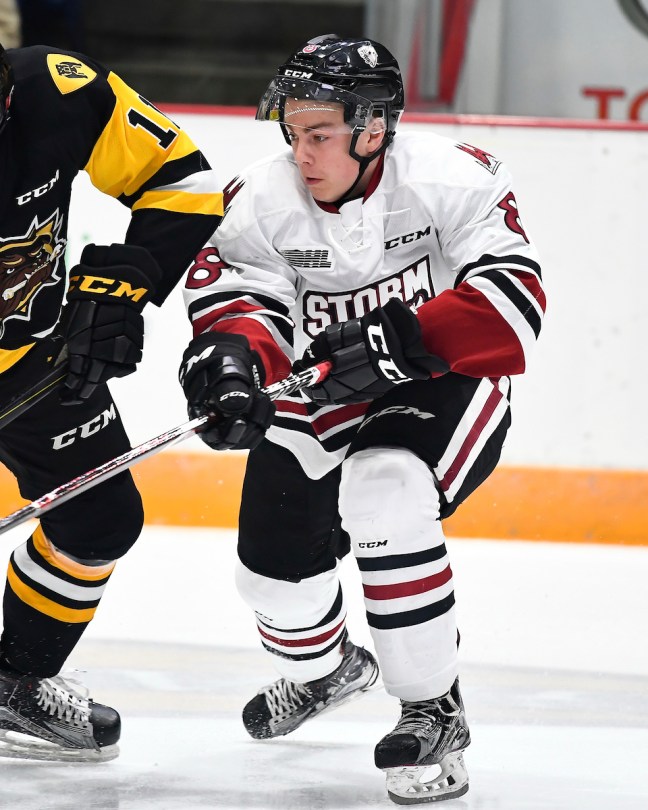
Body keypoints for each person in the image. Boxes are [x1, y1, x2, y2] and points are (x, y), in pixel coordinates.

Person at [179, 33, 545, 804]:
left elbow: (514, 306)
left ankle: (432, 707)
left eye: (319, 132)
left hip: (446, 380)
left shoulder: (450, 178)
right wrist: (237, 368)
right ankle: (328, 671)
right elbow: (241, 303)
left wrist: (405, 338)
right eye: (292, 130)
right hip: (329, 393)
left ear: (374, 127)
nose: (300, 148)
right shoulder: (263, 200)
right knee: (270, 578)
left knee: (384, 486)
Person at [0, 43, 221, 760]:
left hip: (32, 367)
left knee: (99, 519)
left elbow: (184, 179)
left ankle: (16, 683)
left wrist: (126, 282)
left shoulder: (57, 90)